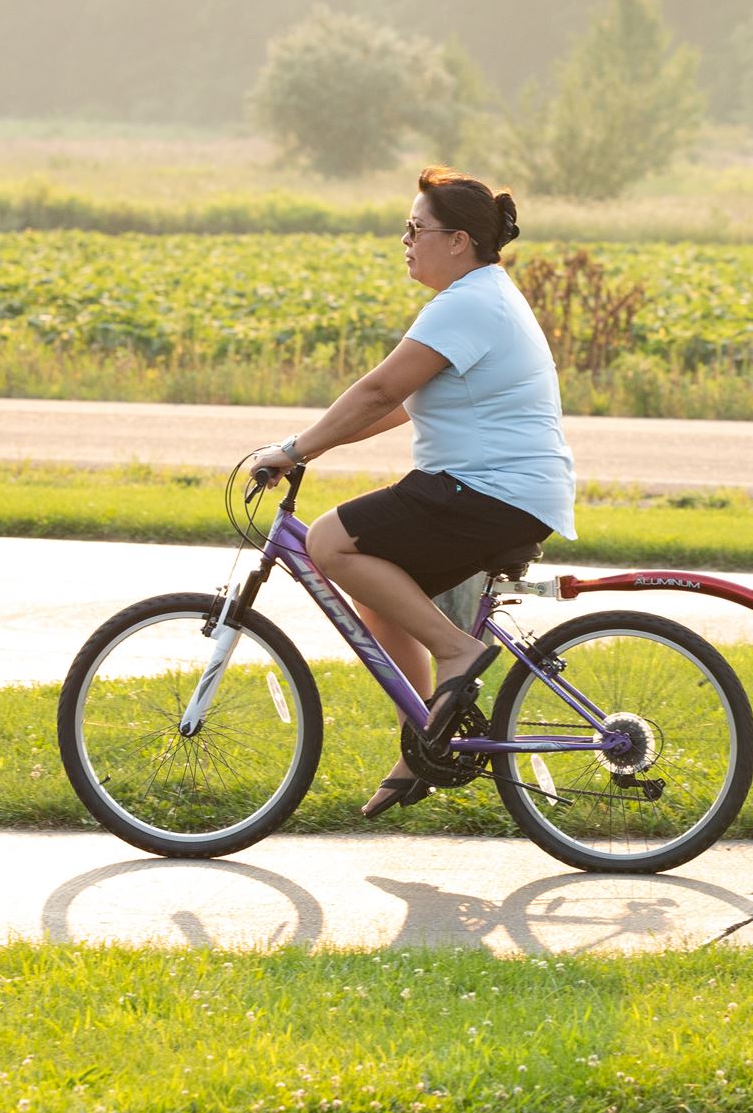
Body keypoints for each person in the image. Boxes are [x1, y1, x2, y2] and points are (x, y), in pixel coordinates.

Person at [244, 167, 576, 820]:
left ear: (457, 240)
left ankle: (457, 650)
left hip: (488, 489)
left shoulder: (468, 303)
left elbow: (377, 391)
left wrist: (293, 450)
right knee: (379, 591)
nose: (405, 240)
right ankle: (426, 738)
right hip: (496, 488)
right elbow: (396, 409)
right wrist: (309, 444)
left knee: (330, 541)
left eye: (415, 229)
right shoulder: (483, 295)